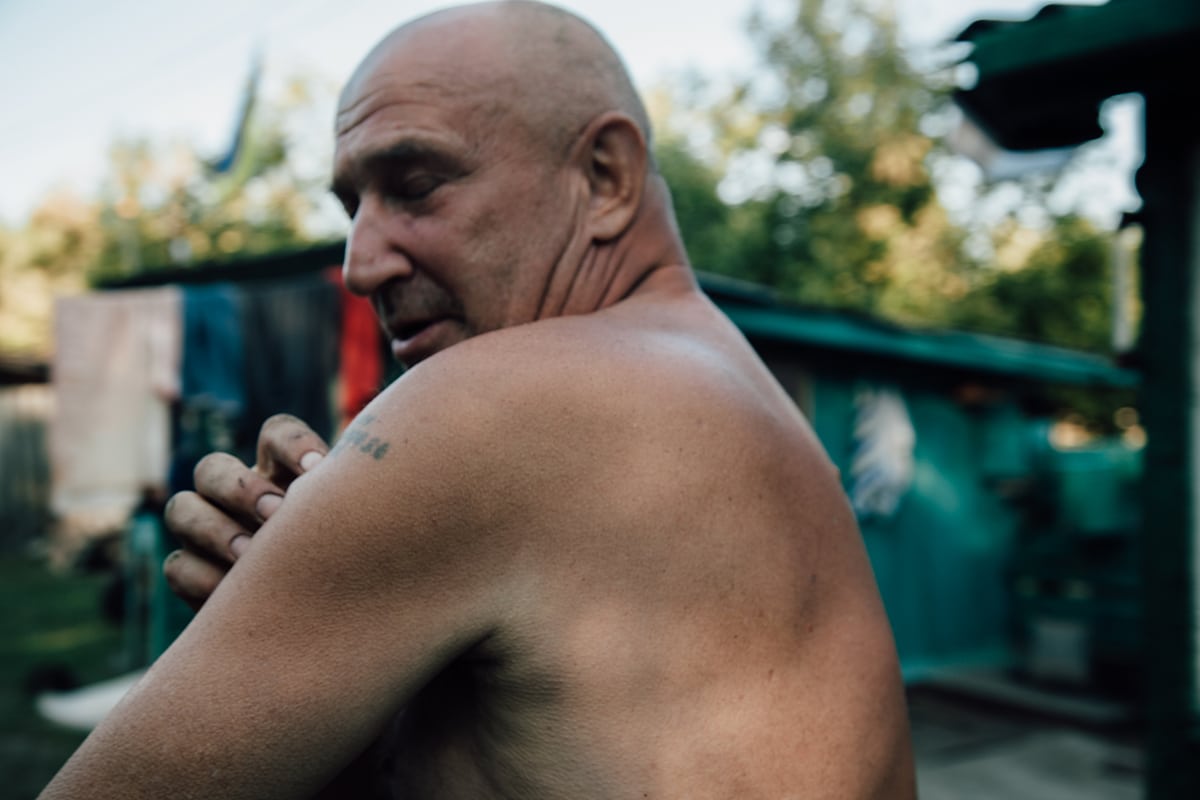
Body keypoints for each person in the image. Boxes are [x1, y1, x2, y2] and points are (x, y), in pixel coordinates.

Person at [41, 2, 915, 797]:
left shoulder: (492, 405)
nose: (359, 264)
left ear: (606, 178)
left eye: (415, 185)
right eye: (352, 205)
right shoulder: (761, 413)